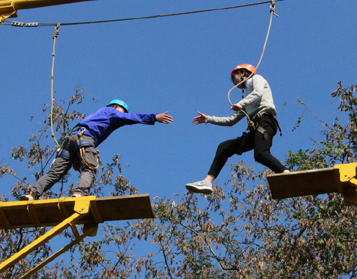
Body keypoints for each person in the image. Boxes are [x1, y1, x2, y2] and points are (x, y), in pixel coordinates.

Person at [21, 99, 173, 200]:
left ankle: (32, 194)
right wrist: (154, 117)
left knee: (55, 173)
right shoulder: (111, 112)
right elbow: (131, 117)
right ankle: (79, 194)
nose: (123, 114)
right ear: (115, 107)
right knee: (89, 169)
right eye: (122, 110)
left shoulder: (98, 114)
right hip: (85, 139)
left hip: (71, 139)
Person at [185, 64, 289, 194]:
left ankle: (286, 173)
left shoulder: (257, 79)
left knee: (261, 154)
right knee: (224, 147)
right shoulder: (247, 99)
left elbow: (258, 93)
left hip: (265, 121)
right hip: (256, 127)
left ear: (243, 73)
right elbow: (231, 121)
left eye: (234, 78)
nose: (234, 82)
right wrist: (209, 119)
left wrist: (240, 104)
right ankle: (207, 182)